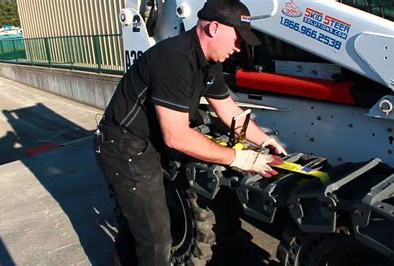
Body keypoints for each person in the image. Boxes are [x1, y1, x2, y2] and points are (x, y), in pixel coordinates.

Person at [94, 0, 287, 265]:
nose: (239, 48)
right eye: (237, 39)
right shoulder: (173, 58)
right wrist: (237, 157)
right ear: (214, 28)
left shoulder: (210, 63)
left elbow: (228, 110)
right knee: (156, 238)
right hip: (125, 147)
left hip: (149, 142)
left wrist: (264, 140)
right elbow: (177, 136)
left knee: (138, 224)